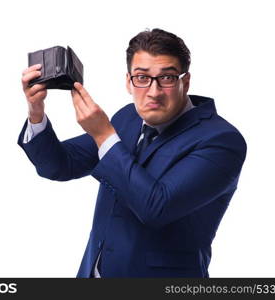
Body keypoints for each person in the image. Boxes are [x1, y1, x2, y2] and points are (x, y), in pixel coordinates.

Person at [17, 28, 247, 278]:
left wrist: (104, 135)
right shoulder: (127, 117)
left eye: (167, 78)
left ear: (186, 81)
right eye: (142, 77)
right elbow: (60, 165)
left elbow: (156, 208)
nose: (153, 91)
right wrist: (36, 112)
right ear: (128, 81)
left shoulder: (222, 141)